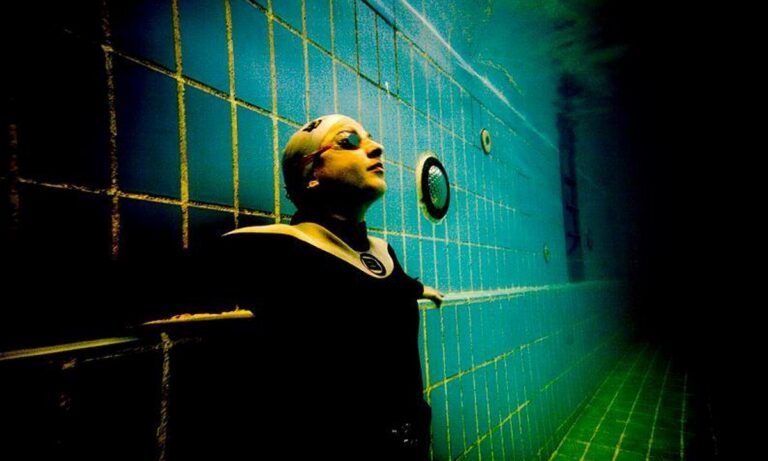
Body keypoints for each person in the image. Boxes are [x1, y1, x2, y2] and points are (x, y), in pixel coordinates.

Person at [213, 114, 444, 459]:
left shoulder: (383, 252)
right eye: (349, 141)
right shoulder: (276, 247)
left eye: (370, 137)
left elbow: (391, 288)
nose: (376, 147)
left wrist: (421, 289)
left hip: (411, 440)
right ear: (310, 174)